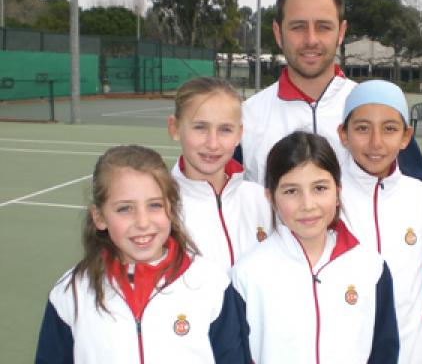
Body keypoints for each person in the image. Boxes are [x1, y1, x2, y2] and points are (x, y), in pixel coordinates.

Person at [35, 145, 251, 363]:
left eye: (154, 205)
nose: (143, 222)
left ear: (171, 208)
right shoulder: (71, 293)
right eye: (125, 209)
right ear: (99, 217)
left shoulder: (211, 285)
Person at [241, 0, 422, 187]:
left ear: (341, 32)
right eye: (298, 27)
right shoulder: (245, 118)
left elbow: (420, 199)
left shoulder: (380, 111)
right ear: (278, 33)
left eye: (323, 27)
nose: (311, 40)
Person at [231, 131, 399, 364]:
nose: (307, 205)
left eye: (320, 188)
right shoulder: (248, 273)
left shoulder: (371, 268)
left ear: (338, 193)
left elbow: (384, 351)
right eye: (291, 191)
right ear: (271, 197)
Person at [337, 80, 422, 364]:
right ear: (343, 134)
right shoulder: (323, 198)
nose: (376, 143)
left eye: (389, 129)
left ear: (406, 136)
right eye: (362, 128)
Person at [167, 77, 271, 273]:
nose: (213, 143)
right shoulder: (161, 208)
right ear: (175, 128)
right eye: (200, 127)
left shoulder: (262, 200)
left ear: (239, 134)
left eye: (225, 130)